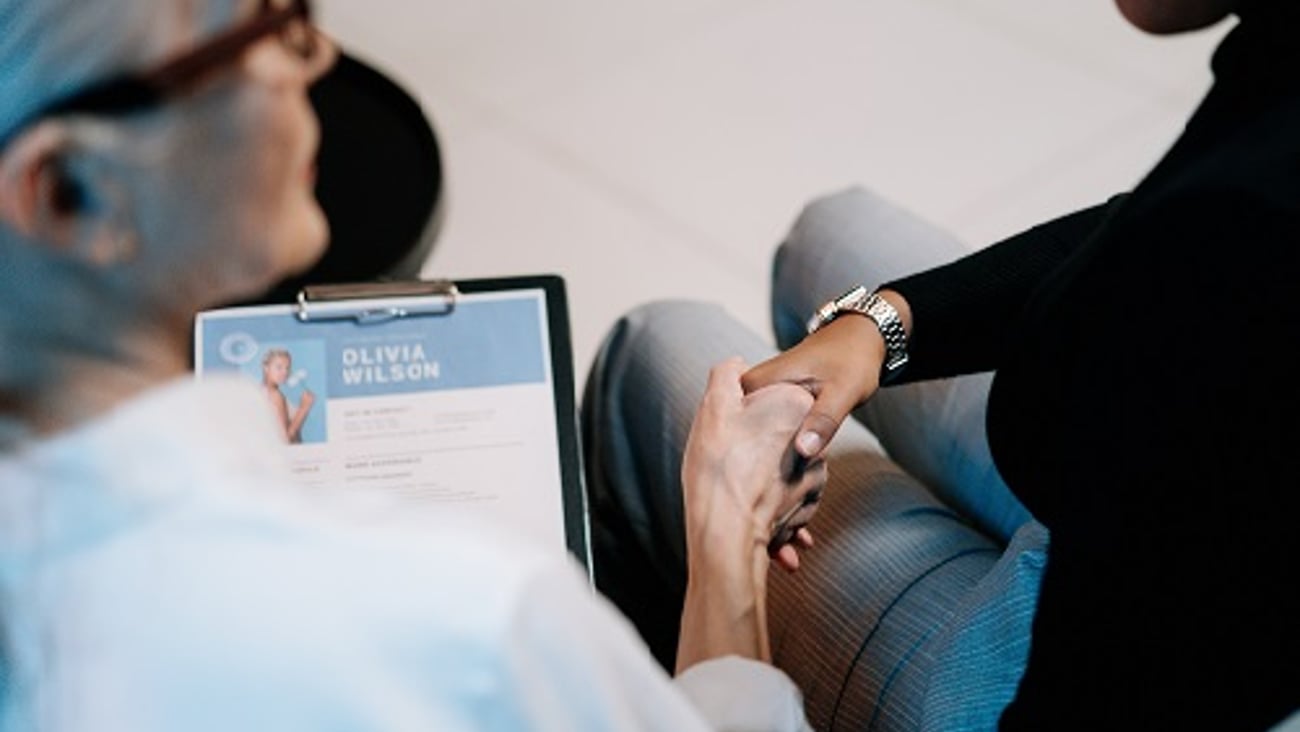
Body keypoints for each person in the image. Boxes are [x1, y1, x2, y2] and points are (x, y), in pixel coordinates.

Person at [0, 1, 822, 728]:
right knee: (663, 340)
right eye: (267, 22)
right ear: (69, 190)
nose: (312, 62)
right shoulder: (468, 622)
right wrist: (728, 529)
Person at [586, 0, 1299, 729]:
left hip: (1075, 675)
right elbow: (1158, 228)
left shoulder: (1235, 256)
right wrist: (884, 324)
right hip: (1135, 517)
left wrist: (726, 534)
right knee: (829, 234)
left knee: (652, 345)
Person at [260, 348, 315, 443]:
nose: (285, 372)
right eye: (279, 367)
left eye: (287, 368)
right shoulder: (275, 395)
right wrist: (304, 408)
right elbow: (285, 440)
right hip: (291, 455)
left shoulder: (261, 391)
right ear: (266, 367)